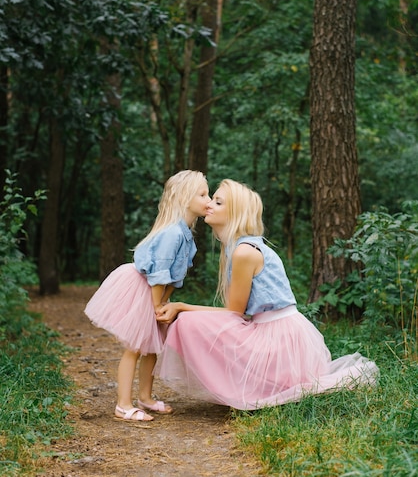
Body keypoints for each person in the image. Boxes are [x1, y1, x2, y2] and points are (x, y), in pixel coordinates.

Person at [155, 179, 379, 411]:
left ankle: (242, 388)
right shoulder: (237, 247)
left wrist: (181, 306)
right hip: (272, 330)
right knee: (191, 321)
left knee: (188, 322)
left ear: (235, 213)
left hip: (280, 338)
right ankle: (241, 385)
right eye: (212, 198)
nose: (209, 204)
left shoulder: (244, 252)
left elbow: (234, 313)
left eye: (218, 202)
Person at [85, 170, 210, 422]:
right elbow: (159, 273)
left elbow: (175, 278)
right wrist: (156, 305)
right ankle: (122, 404)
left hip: (157, 293)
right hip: (143, 287)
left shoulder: (187, 236)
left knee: (152, 347)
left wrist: (164, 302)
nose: (209, 199)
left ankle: (145, 397)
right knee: (134, 347)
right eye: (203, 194)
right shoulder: (173, 233)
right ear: (185, 198)